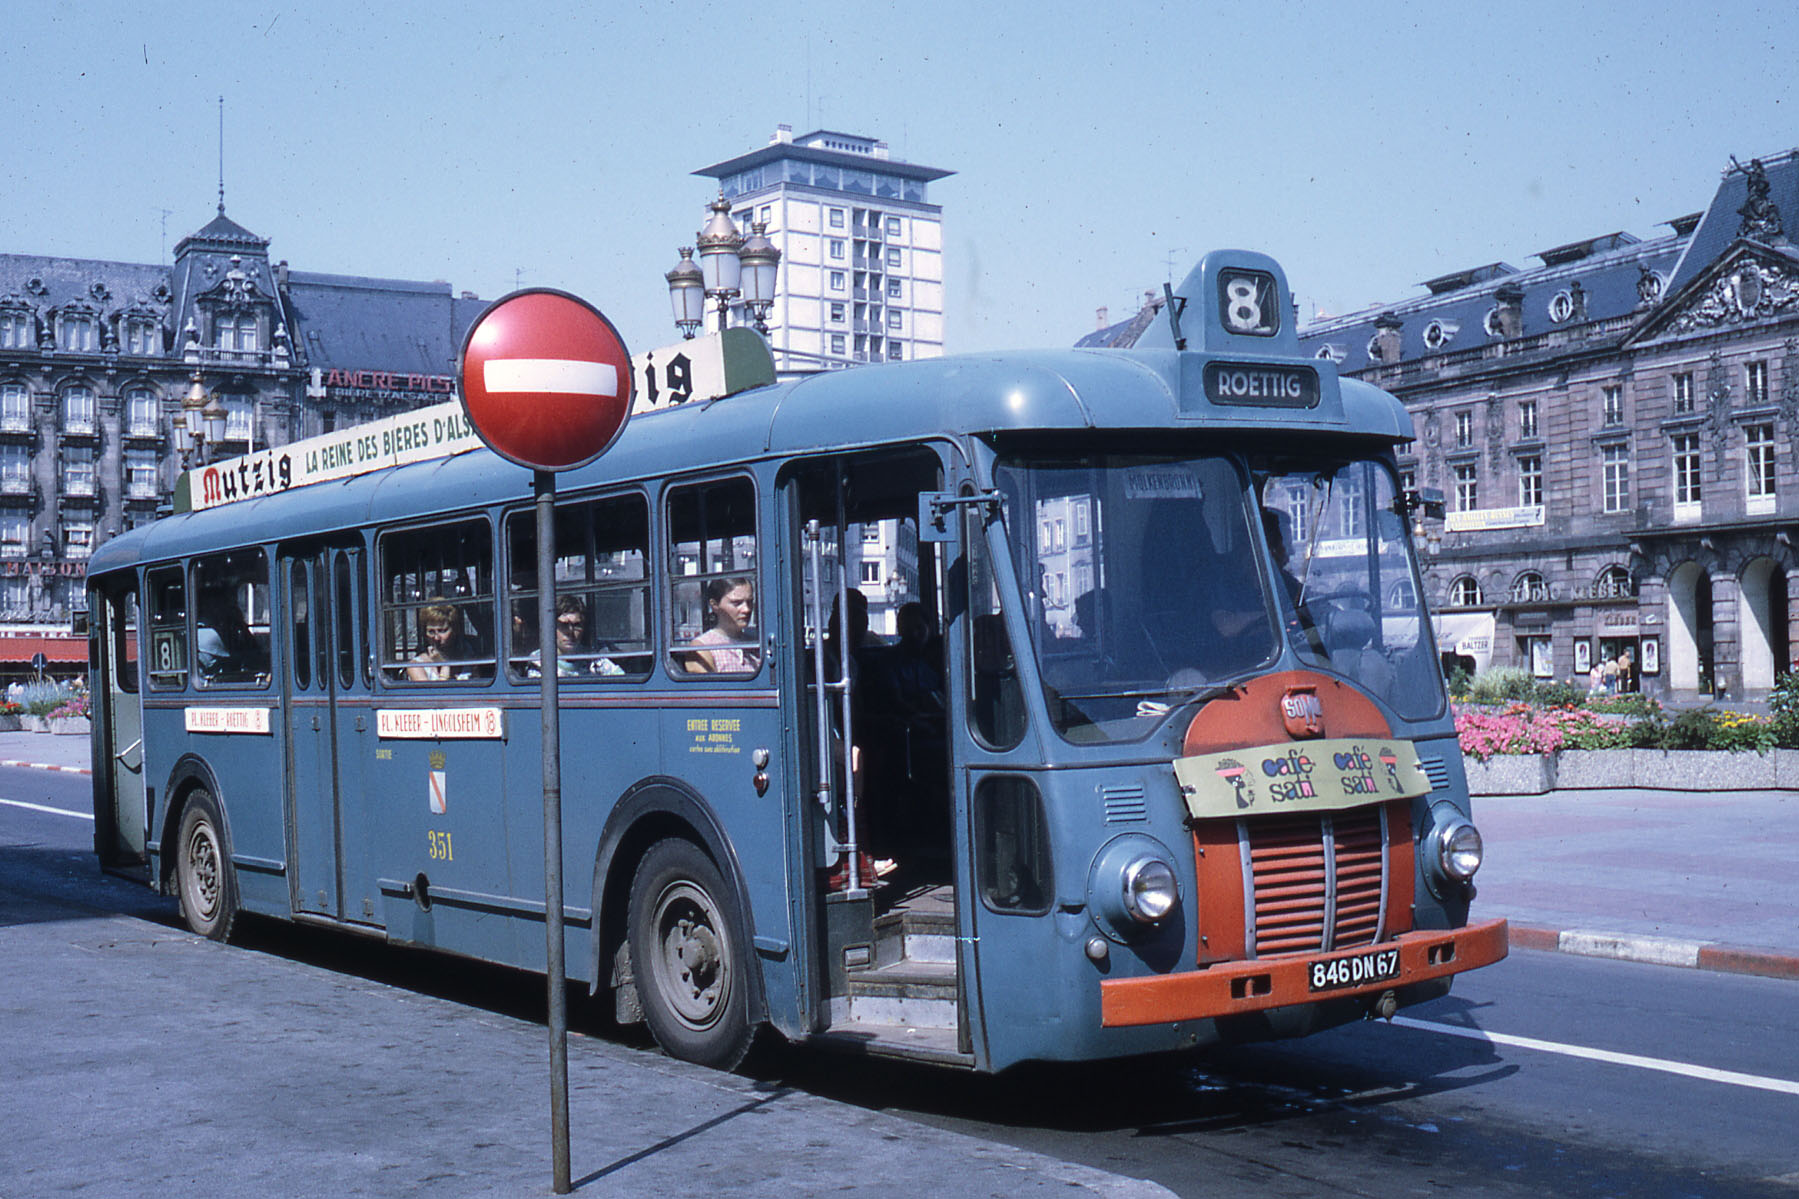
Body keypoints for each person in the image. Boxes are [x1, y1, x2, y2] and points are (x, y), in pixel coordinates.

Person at [685, 578, 757, 673]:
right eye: (736, 603)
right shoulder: (702, 647)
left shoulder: (755, 643)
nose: (746, 609)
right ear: (715, 605)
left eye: (749, 602)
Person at [195, 588, 263, 681]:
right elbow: (236, 659)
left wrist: (241, 625)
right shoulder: (208, 633)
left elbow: (254, 652)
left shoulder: (224, 628)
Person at [407, 600, 481, 681]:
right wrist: (444, 665)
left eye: (442, 631)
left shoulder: (468, 656)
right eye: (431, 632)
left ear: (454, 630)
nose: (436, 638)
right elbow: (437, 693)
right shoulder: (416, 666)